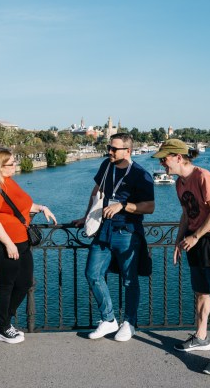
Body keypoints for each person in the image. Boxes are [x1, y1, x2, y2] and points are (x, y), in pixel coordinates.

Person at [152, 139, 210, 376]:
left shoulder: (203, 177)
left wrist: (196, 236)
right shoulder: (180, 183)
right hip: (196, 241)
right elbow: (186, 213)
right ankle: (202, 337)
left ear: (179, 157)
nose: (162, 163)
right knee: (201, 293)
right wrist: (179, 240)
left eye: (165, 158)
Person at [73, 133, 155, 342]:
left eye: (114, 149)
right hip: (103, 230)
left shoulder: (140, 174)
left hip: (127, 232)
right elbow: (96, 191)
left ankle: (129, 323)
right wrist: (87, 215)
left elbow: (150, 206)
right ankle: (109, 319)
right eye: (109, 147)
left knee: (129, 280)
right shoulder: (106, 165)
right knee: (92, 273)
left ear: (128, 151)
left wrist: (123, 205)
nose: (109, 151)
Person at [0, 147, 57, 344]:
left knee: (24, 283)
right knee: (6, 285)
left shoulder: (10, 183)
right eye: (11, 163)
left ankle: (3, 321)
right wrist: (7, 243)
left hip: (21, 240)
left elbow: (21, 205)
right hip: (0, 243)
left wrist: (41, 207)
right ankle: (3, 327)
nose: (15, 165)